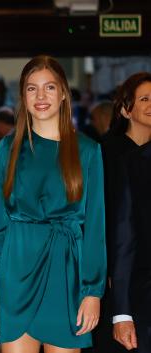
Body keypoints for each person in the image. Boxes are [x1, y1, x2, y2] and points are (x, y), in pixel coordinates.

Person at [0, 55, 106, 353]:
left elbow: (95, 227)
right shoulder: (9, 147)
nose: (41, 96)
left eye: (50, 87)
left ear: (63, 92)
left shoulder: (87, 151)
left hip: (65, 276)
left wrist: (92, 293)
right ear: (22, 96)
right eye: (31, 88)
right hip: (16, 271)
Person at [109, 72, 151, 353]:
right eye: (145, 98)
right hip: (129, 278)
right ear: (126, 109)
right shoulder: (106, 155)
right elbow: (120, 229)